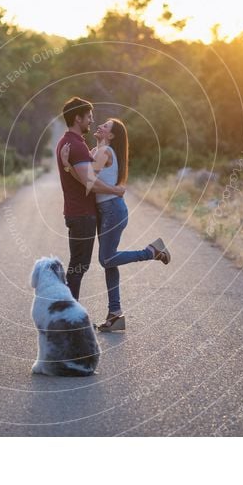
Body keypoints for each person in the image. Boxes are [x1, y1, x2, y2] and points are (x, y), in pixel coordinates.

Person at [61, 117, 171, 332]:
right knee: (111, 262)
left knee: (107, 259)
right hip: (108, 211)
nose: (99, 126)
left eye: (105, 126)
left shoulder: (105, 152)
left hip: (112, 210)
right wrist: (69, 167)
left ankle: (152, 251)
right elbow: (88, 179)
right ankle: (115, 314)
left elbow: (89, 183)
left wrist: (67, 166)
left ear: (110, 135)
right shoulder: (97, 151)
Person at [56, 97, 126, 302]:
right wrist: (114, 190)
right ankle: (70, 319)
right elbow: (91, 183)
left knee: (79, 266)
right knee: (78, 268)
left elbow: (89, 177)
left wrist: (68, 166)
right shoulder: (75, 145)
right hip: (82, 215)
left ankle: (70, 314)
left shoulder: (75, 143)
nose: (91, 120)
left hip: (80, 214)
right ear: (77, 118)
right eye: (88, 116)